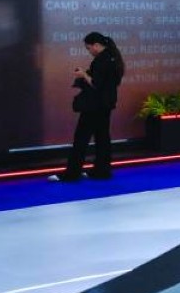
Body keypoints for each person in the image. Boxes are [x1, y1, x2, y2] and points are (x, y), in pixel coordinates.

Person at [51, 32, 125, 182]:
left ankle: (72, 173)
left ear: (96, 45)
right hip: (106, 104)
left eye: (89, 48)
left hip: (94, 105)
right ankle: (102, 170)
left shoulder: (101, 60)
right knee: (102, 137)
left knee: (81, 138)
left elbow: (96, 84)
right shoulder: (113, 58)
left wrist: (84, 75)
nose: (89, 51)